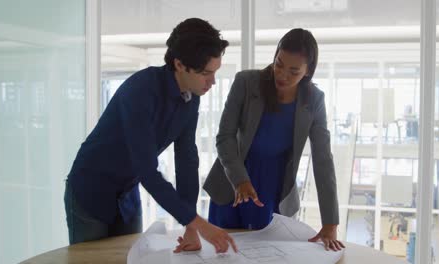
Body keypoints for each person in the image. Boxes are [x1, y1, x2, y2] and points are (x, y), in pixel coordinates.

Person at [64, 18, 237, 254]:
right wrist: (200, 223)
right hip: (91, 191)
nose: (213, 82)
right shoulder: (140, 92)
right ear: (179, 64)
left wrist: (191, 227)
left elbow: (186, 160)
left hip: (126, 194)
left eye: (215, 72)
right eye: (205, 73)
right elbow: (148, 171)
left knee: (130, 258)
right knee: (93, 260)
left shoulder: (191, 96)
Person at [203, 28, 345, 251]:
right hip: (233, 179)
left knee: (267, 254)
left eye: (293, 71)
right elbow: (225, 136)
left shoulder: (314, 100)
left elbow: (323, 160)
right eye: (279, 64)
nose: (282, 75)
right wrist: (240, 180)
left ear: (308, 72)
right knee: (223, 253)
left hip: (274, 188)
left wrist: (330, 221)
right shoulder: (246, 82)